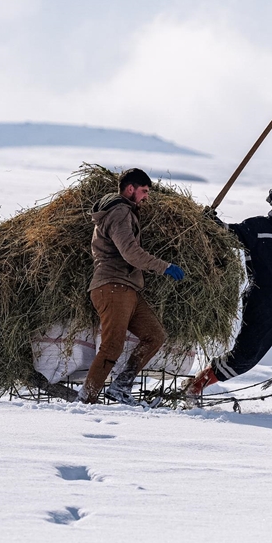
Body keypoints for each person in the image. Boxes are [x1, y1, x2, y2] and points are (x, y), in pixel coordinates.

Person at [186, 186, 272, 405]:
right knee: (243, 359)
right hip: (261, 305)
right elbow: (229, 235)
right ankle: (195, 386)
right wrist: (211, 222)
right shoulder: (256, 227)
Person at [80, 168, 185, 405]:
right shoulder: (119, 212)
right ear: (130, 189)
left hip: (129, 289)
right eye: (144, 191)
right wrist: (163, 266)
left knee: (155, 336)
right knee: (112, 345)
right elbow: (130, 253)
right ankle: (86, 398)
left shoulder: (126, 212)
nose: (146, 196)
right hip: (112, 286)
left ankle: (121, 386)